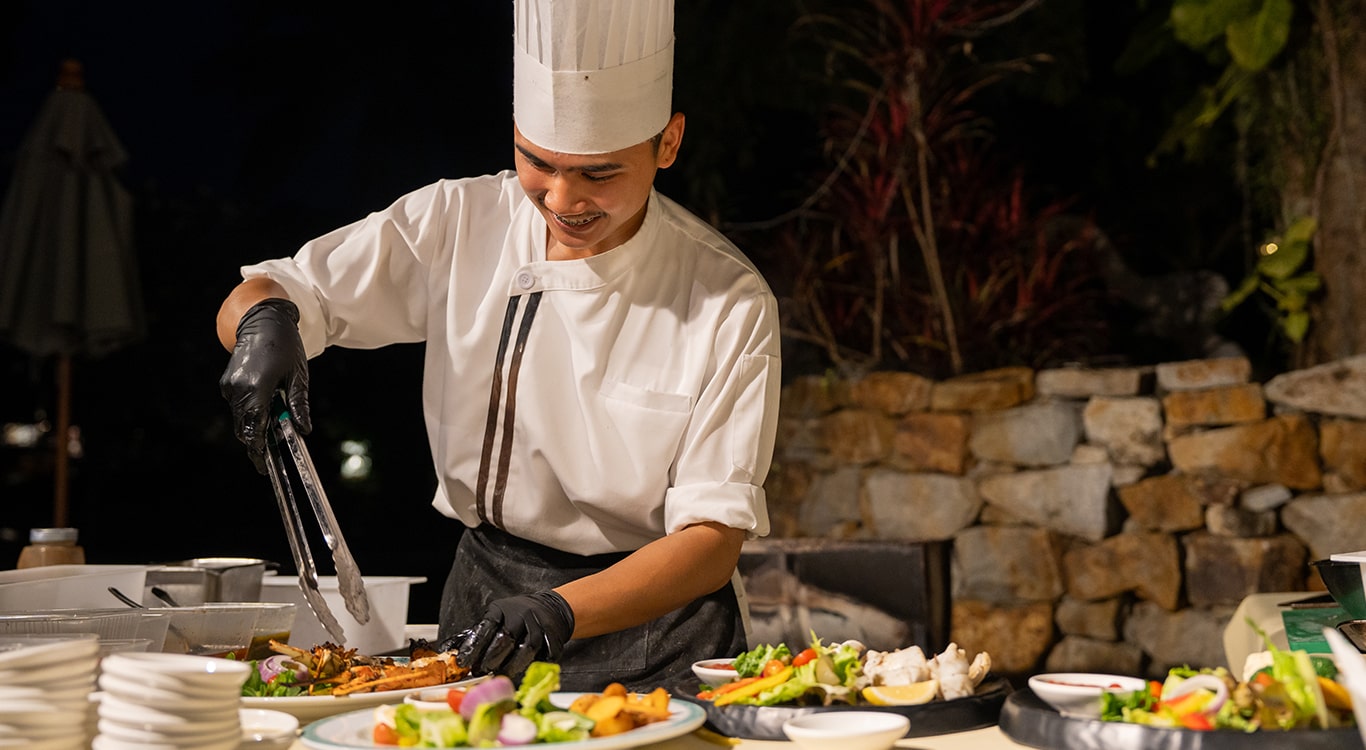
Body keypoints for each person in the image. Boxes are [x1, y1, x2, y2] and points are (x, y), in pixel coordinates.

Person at [215, 0, 781, 692]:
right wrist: (263, 327)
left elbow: (710, 544)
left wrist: (558, 609)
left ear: (667, 143)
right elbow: (283, 288)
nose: (562, 198)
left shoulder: (728, 298)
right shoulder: (460, 222)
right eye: (537, 162)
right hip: (485, 608)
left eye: (600, 173)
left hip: (657, 631)